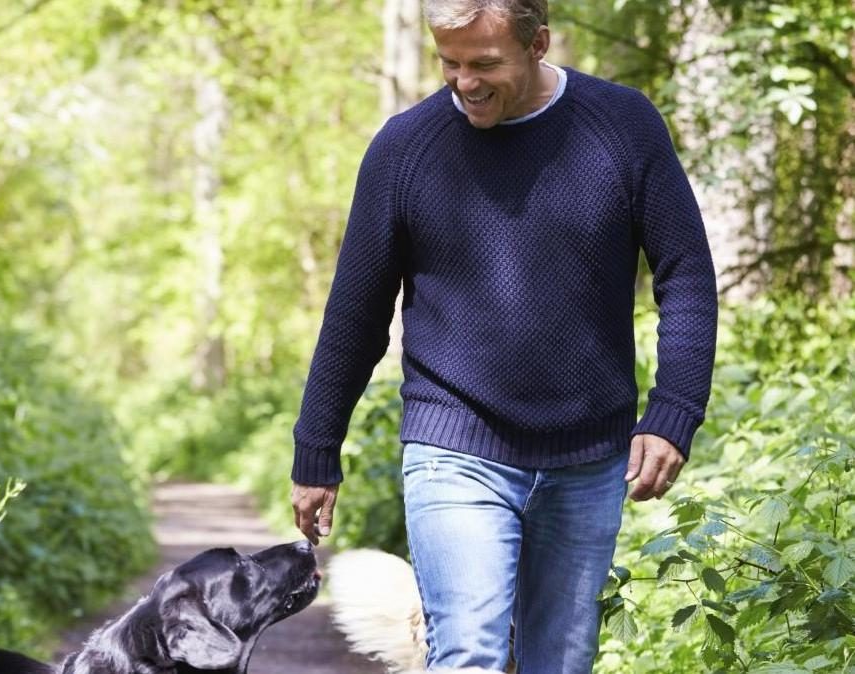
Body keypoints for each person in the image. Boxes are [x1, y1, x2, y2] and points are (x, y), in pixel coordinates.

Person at [290, 0, 718, 671]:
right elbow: (355, 313)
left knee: (560, 661)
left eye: (484, 63)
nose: (464, 81)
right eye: (449, 62)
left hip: (587, 454)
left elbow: (685, 274)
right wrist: (316, 449)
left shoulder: (621, 126)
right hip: (452, 442)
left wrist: (673, 412)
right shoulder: (405, 149)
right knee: (467, 654)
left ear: (538, 43)